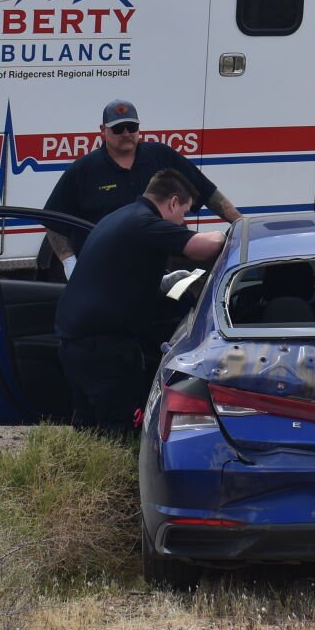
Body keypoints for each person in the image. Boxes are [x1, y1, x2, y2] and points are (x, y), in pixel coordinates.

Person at [54, 170, 227, 435]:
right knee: (120, 428)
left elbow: (122, 273)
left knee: (88, 426)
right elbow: (203, 247)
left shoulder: (121, 216)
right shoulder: (145, 222)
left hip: (78, 342)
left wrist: (162, 282)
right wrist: (233, 233)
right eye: (184, 212)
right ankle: (116, 475)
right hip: (104, 347)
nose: (182, 222)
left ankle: (86, 470)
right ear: (172, 202)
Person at [40, 97, 239, 279]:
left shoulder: (161, 157)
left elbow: (207, 192)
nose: (126, 133)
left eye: (131, 127)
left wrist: (239, 223)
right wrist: (69, 263)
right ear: (103, 130)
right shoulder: (84, 170)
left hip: (161, 269)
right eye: (118, 129)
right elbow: (53, 219)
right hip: (106, 272)